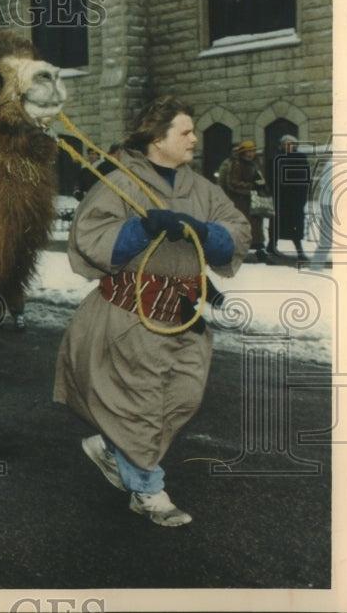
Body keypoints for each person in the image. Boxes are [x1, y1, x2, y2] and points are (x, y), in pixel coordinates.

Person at [53, 96, 250, 527]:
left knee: (181, 399)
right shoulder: (119, 181)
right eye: (186, 131)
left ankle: (111, 448)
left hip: (182, 315)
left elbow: (236, 231)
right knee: (141, 406)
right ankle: (147, 492)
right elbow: (90, 238)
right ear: (158, 138)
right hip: (130, 315)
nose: (194, 138)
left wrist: (204, 231)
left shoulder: (200, 187)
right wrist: (141, 229)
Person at [217, 140, 269, 262]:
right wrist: (251, 187)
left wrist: (263, 186)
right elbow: (232, 183)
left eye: (252, 151)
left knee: (257, 226)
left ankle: (260, 250)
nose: (250, 154)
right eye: (247, 152)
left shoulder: (256, 163)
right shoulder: (236, 164)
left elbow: (261, 178)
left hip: (255, 201)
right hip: (241, 201)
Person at [269, 134, 311, 260]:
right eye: (285, 144)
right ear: (281, 146)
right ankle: (271, 245)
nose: (288, 147)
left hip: (296, 198)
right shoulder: (276, 158)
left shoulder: (301, 158)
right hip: (281, 198)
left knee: (296, 225)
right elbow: (272, 177)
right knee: (277, 223)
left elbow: (306, 177)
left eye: (290, 144)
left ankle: (299, 250)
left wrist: (304, 195)